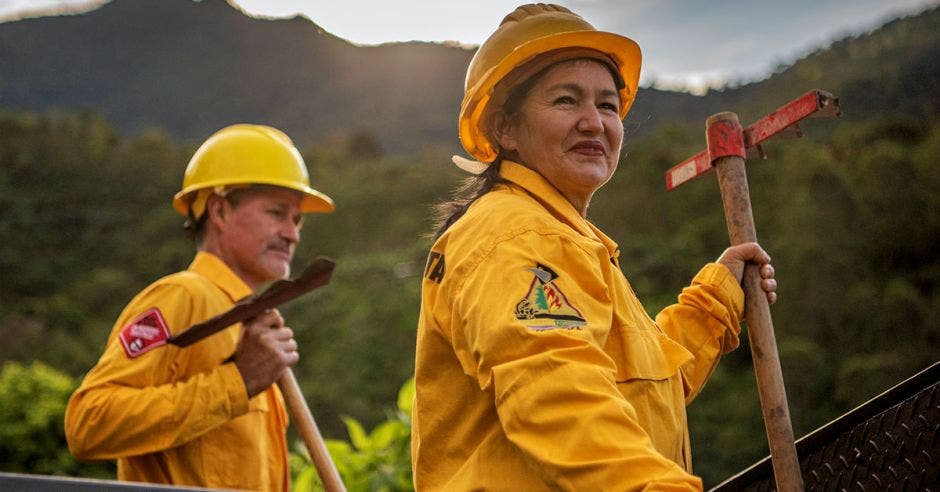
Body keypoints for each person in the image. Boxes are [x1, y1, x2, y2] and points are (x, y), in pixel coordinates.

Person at [412, 4, 778, 490]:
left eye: (607, 105)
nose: (593, 122)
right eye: (566, 101)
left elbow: (643, 388)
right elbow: (557, 393)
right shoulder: (516, 234)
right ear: (504, 129)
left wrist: (717, 300)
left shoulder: (561, 236)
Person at [65, 124, 334, 490]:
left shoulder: (254, 324)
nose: (293, 233)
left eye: (297, 219)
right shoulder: (182, 297)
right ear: (220, 211)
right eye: (276, 213)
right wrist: (236, 382)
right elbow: (89, 424)